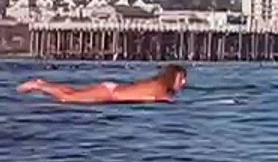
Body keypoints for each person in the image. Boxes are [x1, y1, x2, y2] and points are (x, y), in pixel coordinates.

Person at [17, 64, 188, 104]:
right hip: (110, 94)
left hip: (111, 90)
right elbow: (163, 99)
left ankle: (43, 84)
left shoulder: (157, 84)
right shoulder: (160, 90)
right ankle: (39, 86)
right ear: (171, 78)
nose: (184, 83)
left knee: (73, 93)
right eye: (180, 79)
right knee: (68, 99)